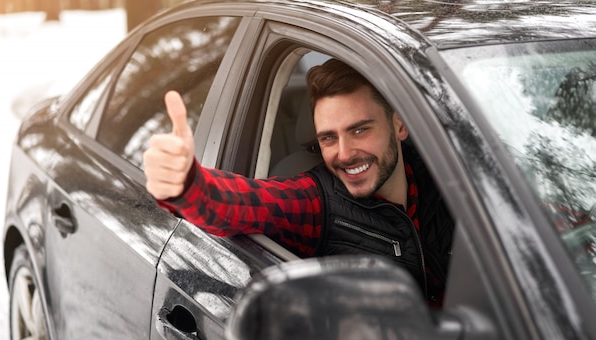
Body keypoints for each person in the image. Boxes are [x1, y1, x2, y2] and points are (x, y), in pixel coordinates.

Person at [143, 59, 454, 307]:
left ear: (399, 125)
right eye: (329, 138)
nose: (344, 154)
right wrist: (186, 184)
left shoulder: (448, 177)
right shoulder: (317, 202)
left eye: (360, 130)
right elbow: (241, 203)